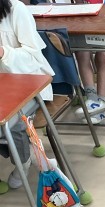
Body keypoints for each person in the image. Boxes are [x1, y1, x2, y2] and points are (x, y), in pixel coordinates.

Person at [0, 0, 55, 192]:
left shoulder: (17, 10)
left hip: (29, 84)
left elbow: (33, 57)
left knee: (10, 122)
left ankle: (23, 161)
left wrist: (3, 52)